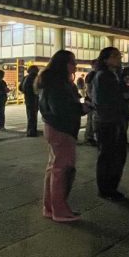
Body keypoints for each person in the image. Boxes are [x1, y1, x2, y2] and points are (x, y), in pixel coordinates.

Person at [37, 50, 86, 222]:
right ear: (63, 64)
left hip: (53, 127)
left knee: (54, 168)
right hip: (62, 129)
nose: (75, 66)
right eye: (72, 62)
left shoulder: (49, 81)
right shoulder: (59, 84)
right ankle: (60, 211)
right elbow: (62, 109)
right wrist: (81, 108)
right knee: (62, 170)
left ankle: (50, 207)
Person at [91, 47, 129, 201]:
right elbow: (103, 100)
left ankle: (111, 187)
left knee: (118, 156)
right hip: (108, 121)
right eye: (114, 56)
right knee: (108, 156)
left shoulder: (115, 75)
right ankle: (106, 189)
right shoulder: (103, 75)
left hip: (116, 120)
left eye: (118, 55)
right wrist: (123, 96)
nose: (118, 58)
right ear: (105, 59)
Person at [20, 65, 41, 137]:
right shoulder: (36, 77)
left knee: (30, 115)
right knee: (33, 115)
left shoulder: (25, 77)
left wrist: (25, 92)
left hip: (28, 98)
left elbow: (20, 87)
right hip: (35, 98)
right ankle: (32, 131)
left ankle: (30, 130)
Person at [83, 61, 100, 146]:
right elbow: (88, 88)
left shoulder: (97, 74)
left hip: (93, 100)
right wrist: (92, 99)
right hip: (90, 100)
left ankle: (91, 137)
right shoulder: (91, 75)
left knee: (92, 119)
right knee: (90, 119)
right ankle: (89, 137)